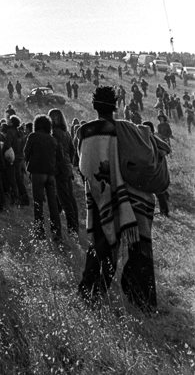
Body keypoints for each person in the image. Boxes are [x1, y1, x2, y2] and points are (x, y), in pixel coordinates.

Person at [76, 86, 156, 311]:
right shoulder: (125, 129)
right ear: (116, 104)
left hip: (99, 197)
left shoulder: (84, 133)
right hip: (132, 199)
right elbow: (146, 155)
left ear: (94, 106)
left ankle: (90, 292)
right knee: (139, 249)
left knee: (100, 247)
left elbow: (82, 166)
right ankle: (142, 301)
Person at [24, 115, 63, 241]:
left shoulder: (33, 136)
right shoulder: (52, 139)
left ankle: (40, 232)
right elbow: (60, 157)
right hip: (51, 174)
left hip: (37, 172)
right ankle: (57, 233)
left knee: (38, 203)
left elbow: (26, 153)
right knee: (53, 204)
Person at [49, 108, 80, 236]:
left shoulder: (54, 133)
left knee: (65, 199)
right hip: (67, 167)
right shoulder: (66, 132)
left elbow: (58, 152)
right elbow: (72, 150)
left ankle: (72, 228)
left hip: (60, 168)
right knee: (68, 197)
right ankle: (62, 226)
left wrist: (56, 163)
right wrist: (69, 164)